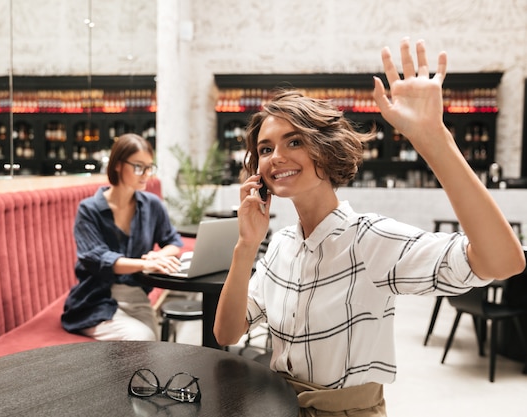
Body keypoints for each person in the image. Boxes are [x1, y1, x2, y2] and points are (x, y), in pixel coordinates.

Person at [213, 38, 525, 416]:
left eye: (293, 141)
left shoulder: (370, 240)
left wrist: (435, 140)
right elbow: (227, 334)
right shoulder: (280, 245)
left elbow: (502, 262)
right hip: (275, 406)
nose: (276, 157)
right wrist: (246, 245)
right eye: (265, 149)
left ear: (325, 155)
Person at [62, 133, 183, 341]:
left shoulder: (152, 205)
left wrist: (156, 256)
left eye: (149, 167)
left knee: (154, 345)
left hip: (137, 296)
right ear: (118, 164)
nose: (146, 174)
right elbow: (101, 260)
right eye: (138, 167)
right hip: (96, 300)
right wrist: (145, 264)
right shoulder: (89, 210)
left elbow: (173, 242)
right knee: (143, 339)